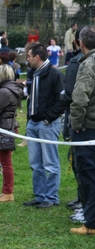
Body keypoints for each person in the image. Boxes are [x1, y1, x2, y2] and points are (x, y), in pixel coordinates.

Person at [23, 44, 65, 209]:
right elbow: (32, 100)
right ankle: (40, 196)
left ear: (37, 57)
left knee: (50, 163)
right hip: (33, 124)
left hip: (47, 124)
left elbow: (61, 101)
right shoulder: (34, 74)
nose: (27, 59)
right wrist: (30, 121)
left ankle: (51, 197)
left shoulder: (55, 75)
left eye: (29, 56)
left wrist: (48, 119)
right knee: (35, 163)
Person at [70, 25, 95, 235]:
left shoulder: (88, 64)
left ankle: (91, 224)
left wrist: (75, 125)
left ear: (81, 43)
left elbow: (80, 99)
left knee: (88, 177)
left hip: (89, 129)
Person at [0, 64, 24, 202]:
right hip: (8, 126)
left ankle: (8, 192)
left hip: (4, 128)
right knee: (5, 161)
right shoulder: (13, 89)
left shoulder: (4, 92)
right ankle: (5, 191)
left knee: (5, 162)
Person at [60, 28, 84, 222]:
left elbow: (70, 94)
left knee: (81, 164)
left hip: (82, 123)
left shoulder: (77, 62)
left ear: (78, 43)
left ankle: (85, 206)